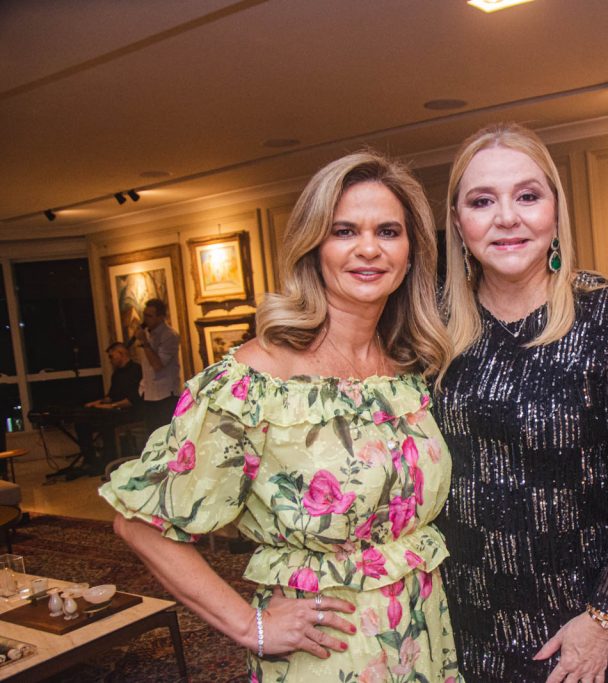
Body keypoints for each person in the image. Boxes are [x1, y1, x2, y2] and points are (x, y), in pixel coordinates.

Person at [100, 151, 463, 681]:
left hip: (421, 636)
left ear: (411, 253)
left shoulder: (409, 369)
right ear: (313, 248)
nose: (368, 248)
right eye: (343, 231)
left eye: (388, 231)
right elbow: (140, 523)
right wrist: (251, 627)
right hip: (325, 655)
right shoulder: (255, 380)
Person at [434, 122, 608, 682]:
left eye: (527, 195)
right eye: (481, 201)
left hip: (583, 623)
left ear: (555, 208)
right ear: (458, 221)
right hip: (468, 623)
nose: (507, 217)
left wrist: (602, 618)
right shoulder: (435, 326)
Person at [71, 342, 142, 476]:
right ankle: (91, 460)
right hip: (114, 411)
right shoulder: (116, 374)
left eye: (111, 356)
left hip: (130, 412)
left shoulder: (136, 370)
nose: (110, 360)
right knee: (82, 423)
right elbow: (111, 396)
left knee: (106, 423)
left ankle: (110, 460)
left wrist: (110, 406)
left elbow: (133, 400)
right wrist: (96, 403)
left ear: (121, 354)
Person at [135, 298, 182, 438]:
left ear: (161, 317)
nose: (146, 319)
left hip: (165, 394)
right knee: (152, 436)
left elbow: (158, 365)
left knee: (166, 436)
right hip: (149, 392)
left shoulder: (169, 335)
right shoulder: (148, 333)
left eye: (150, 316)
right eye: (145, 315)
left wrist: (144, 343)